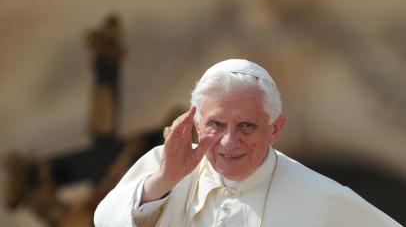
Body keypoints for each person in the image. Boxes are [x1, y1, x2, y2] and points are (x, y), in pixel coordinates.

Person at [94, 59, 401, 227]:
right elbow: (106, 222)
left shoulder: (322, 198)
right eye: (216, 124)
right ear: (196, 125)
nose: (229, 141)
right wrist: (163, 181)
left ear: (275, 130)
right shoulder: (165, 167)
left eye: (246, 126)